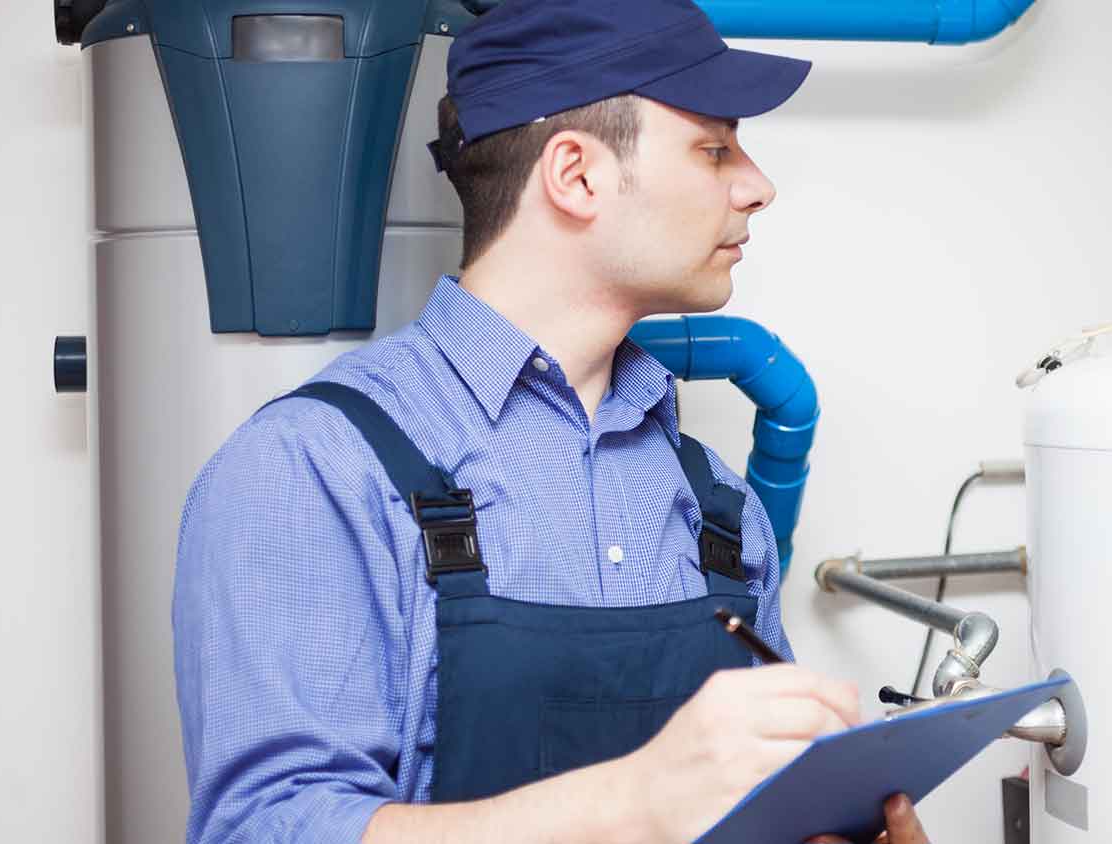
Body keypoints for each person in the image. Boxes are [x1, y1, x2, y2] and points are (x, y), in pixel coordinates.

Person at [172, 1, 933, 841]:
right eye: (715, 148)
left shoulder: (718, 501)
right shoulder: (315, 468)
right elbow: (266, 827)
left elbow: (757, 800)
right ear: (575, 175)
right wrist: (634, 804)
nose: (756, 185)